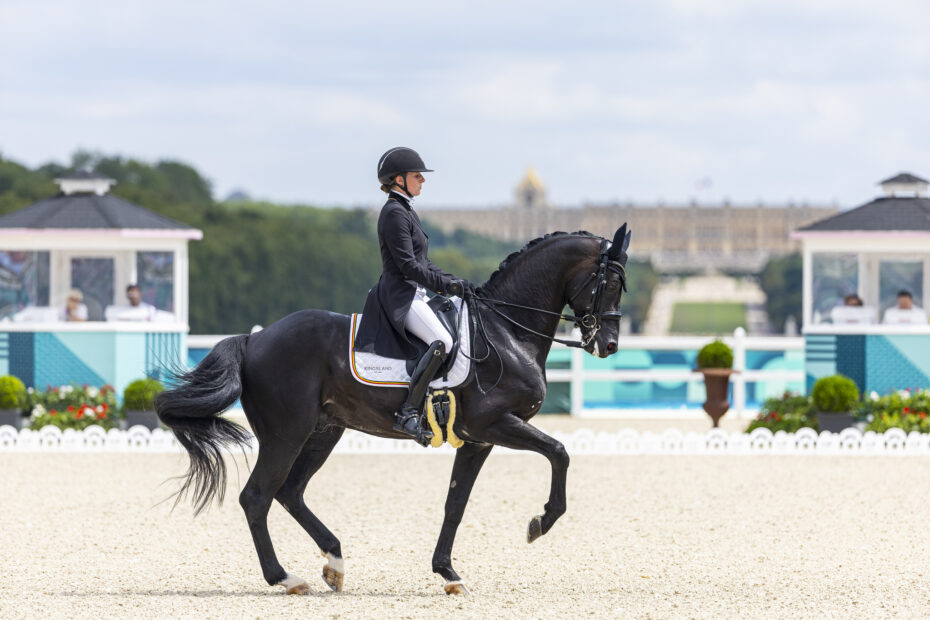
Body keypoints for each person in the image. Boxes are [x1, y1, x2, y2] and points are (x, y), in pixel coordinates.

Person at [353, 147, 472, 444]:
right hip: (400, 296)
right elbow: (408, 265)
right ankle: (407, 413)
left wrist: (453, 281)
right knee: (442, 341)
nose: (422, 181)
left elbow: (423, 262)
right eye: (417, 176)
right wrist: (445, 286)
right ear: (399, 179)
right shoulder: (394, 213)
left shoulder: (406, 210)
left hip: (414, 292)